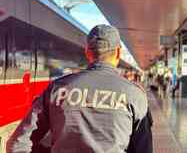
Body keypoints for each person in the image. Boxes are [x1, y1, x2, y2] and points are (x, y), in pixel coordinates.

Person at [6, 24, 152, 153]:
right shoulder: (135, 95)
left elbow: (16, 145)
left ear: (87, 52)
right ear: (118, 53)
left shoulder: (56, 89)